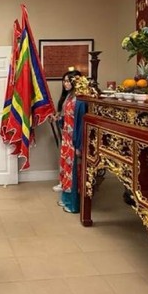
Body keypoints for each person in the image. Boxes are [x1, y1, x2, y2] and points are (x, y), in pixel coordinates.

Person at [55, 70, 86, 213]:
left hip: (74, 141)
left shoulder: (80, 100)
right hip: (66, 139)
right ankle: (66, 199)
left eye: (68, 81)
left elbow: (81, 124)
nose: (65, 83)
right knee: (65, 170)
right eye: (64, 81)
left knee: (73, 173)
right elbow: (66, 117)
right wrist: (58, 119)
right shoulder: (69, 96)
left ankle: (73, 204)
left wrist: (79, 145)